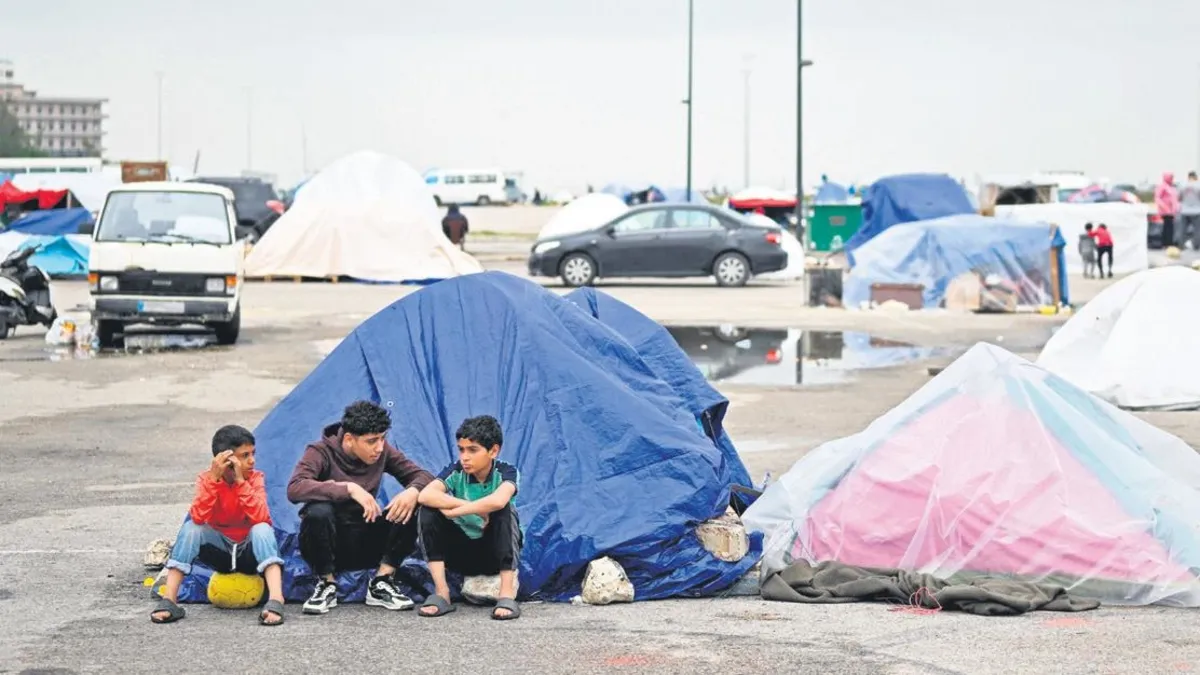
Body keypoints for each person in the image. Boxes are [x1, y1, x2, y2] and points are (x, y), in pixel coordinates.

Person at [287, 401, 434, 615]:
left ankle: (381, 581)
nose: (380, 447)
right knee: (318, 510)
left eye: (383, 438)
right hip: (329, 544)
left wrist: (412, 491)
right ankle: (326, 584)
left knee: (414, 502)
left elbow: (424, 476)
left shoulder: (382, 452)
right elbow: (295, 488)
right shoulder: (320, 452)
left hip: (368, 541)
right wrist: (348, 488)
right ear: (349, 439)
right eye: (372, 441)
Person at [151, 425, 286, 626]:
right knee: (191, 529)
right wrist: (214, 481)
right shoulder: (207, 479)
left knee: (262, 529)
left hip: (248, 553)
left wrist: (241, 482)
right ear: (226, 460)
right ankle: (169, 600)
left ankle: (276, 599)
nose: (252, 460)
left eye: (253, 453)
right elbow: (197, 517)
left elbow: (261, 517)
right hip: (219, 552)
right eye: (245, 455)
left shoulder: (255, 478)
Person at [417, 415, 522, 620]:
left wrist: (455, 510)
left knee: (505, 511)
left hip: (494, 552)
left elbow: (499, 501)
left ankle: (507, 594)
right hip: (461, 554)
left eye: (472, 450)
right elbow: (426, 495)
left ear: (493, 451)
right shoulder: (456, 471)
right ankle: (442, 594)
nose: (465, 457)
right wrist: (472, 508)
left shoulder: (506, 472)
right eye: (461, 449)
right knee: (427, 510)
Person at [1156, 172, 1180, 248]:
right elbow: (1157, 198)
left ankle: (1170, 242)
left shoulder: (1172, 187)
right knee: (1167, 227)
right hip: (1165, 211)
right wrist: (1164, 207)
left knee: (1171, 227)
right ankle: (1166, 243)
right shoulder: (1162, 187)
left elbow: (1175, 199)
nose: (1171, 179)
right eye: (1170, 177)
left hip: (1172, 212)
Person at [1179, 171, 1200, 250]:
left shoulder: (1183, 185)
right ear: (1195, 177)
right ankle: (1196, 245)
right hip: (1196, 211)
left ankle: (1181, 245)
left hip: (1184, 210)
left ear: (1188, 177)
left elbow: (1179, 197)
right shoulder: (1198, 185)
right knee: (1197, 230)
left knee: (1182, 229)